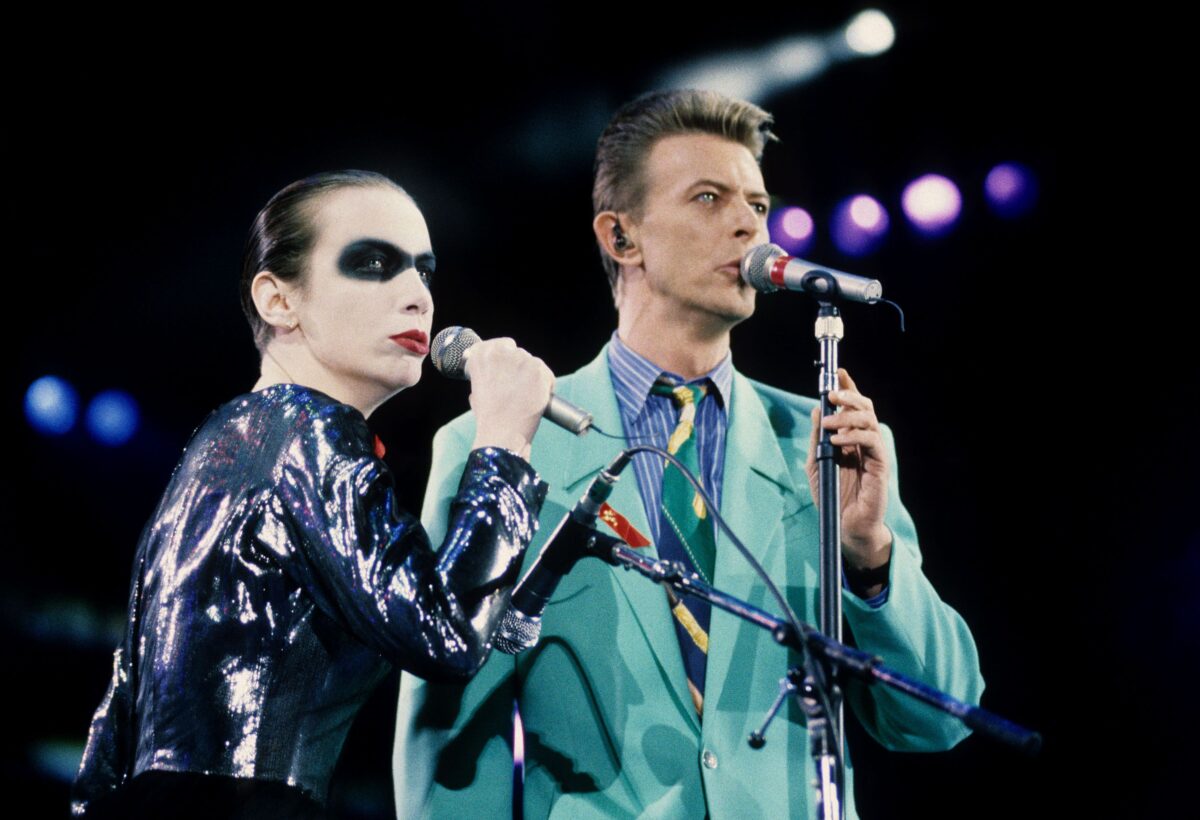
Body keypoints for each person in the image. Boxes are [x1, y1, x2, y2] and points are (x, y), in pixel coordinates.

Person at [393, 91, 985, 818]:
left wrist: (869, 558)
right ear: (621, 237)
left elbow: (938, 719)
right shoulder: (501, 438)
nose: (749, 224)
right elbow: (450, 737)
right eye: (709, 198)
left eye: (758, 205)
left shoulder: (829, 445)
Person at [72, 170, 555, 818]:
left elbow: (112, 739)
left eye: (424, 272)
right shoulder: (306, 430)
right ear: (278, 300)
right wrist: (503, 442)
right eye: (374, 263)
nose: (418, 297)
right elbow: (444, 634)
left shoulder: (230, 442)